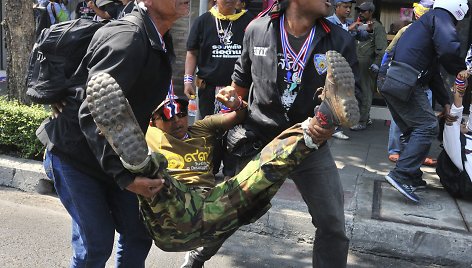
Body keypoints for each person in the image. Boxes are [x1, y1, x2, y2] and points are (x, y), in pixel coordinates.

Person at [182, 0, 362, 267]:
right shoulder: (257, 30)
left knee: (333, 224)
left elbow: (352, 96)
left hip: (308, 141)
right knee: (228, 211)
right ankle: (197, 257)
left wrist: (327, 124)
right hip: (259, 140)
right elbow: (240, 86)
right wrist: (233, 101)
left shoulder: (339, 39)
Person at [37, 1, 190, 266]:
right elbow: (91, 110)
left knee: (138, 233)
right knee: (95, 247)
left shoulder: (157, 36)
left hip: (113, 153)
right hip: (76, 156)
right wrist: (125, 178)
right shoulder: (130, 38)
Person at [380, 0, 468, 202]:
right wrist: (459, 68)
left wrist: (445, 102)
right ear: (458, 9)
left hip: (393, 79)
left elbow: (434, 74)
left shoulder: (428, 23)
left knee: (413, 129)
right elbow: (449, 49)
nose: (456, 27)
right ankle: (401, 175)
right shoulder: (441, 17)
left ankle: (412, 175)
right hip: (404, 80)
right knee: (427, 126)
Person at [183, 0, 254, 180]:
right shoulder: (203, 21)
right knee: (209, 131)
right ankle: (208, 169)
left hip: (238, 91)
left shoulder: (249, 22)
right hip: (209, 89)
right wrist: (188, 80)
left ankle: (231, 172)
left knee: (235, 130)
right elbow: (192, 52)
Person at [384, 0, 437, 167]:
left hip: (424, 85)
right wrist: (383, 75)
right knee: (399, 119)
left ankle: (417, 155)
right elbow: (389, 53)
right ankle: (395, 150)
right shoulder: (406, 31)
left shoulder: (436, 33)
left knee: (423, 125)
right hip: (404, 83)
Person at [326, 0, 370, 140]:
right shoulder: (329, 22)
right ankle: (332, 127)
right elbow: (332, 38)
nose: (348, 10)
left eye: (349, 7)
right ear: (336, 7)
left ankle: (337, 125)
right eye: (345, 7)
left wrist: (366, 28)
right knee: (332, 95)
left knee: (344, 95)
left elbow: (363, 37)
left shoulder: (350, 22)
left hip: (348, 64)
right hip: (333, 64)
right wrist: (349, 29)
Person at [350, 1, 387, 131]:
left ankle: (362, 121)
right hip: (357, 65)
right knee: (358, 92)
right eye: (359, 10)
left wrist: (377, 64)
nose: (361, 13)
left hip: (368, 66)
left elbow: (382, 49)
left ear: (371, 12)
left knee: (365, 92)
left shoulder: (377, 27)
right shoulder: (360, 26)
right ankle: (366, 117)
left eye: (364, 11)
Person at [437, 69, 472, 200]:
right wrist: (459, 82)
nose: (464, 123)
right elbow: (456, 110)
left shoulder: (469, 135)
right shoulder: (453, 142)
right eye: (462, 122)